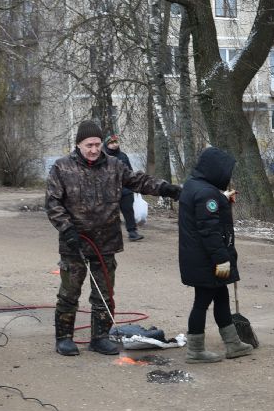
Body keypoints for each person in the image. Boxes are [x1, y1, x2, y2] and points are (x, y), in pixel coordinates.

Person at [46, 119, 181, 357]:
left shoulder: (114, 166)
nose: (94, 149)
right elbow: (52, 202)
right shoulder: (62, 167)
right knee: (69, 293)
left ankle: (99, 338)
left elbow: (139, 181)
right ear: (78, 144)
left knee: (104, 294)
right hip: (74, 243)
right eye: (89, 145)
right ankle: (64, 338)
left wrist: (166, 189)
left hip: (106, 242)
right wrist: (66, 229)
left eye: (97, 144)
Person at [176, 145, 254, 363]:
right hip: (208, 262)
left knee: (221, 296)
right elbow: (210, 231)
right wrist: (222, 260)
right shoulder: (206, 194)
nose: (228, 177)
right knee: (202, 302)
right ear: (215, 170)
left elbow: (206, 213)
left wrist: (222, 200)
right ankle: (195, 351)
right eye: (226, 172)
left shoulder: (194, 185)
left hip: (199, 259)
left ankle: (233, 344)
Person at [103, 134, 143, 241]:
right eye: (111, 143)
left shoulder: (123, 156)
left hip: (125, 190)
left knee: (128, 211)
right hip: (109, 191)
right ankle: (110, 235)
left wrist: (134, 186)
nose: (114, 144)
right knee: (110, 214)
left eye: (116, 142)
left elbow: (130, 171)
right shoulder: (102, 157)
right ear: (106, 145)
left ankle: (132, 232)